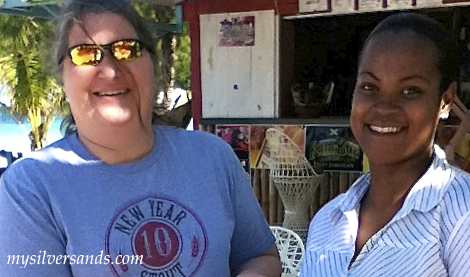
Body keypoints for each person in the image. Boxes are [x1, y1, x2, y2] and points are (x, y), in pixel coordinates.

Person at [0, 0, 281, 276]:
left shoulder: (212, 156)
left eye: (126, 50)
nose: (110, 70)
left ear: (152, 64)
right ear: (63, 75)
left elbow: (261, 257)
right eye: (85, 54)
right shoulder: (31, 187)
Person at [300, 12, 470, 276]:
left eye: (409, 91)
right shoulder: (327, 221)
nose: (384, 108)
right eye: (370, 87)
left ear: (445, 100)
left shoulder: (461, 214)